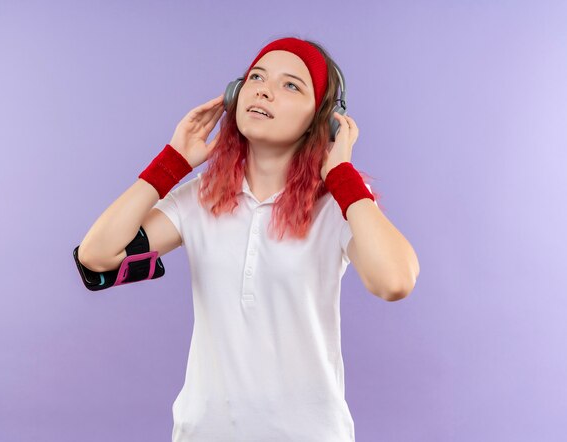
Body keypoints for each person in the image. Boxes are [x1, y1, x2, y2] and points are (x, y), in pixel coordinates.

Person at [78, 35, 419, 442]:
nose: (263, 89)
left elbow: (395, 280)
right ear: (236, 95)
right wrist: (171, 163)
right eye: (256, 77)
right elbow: (96, 256)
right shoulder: (201, 197)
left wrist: (342, 177)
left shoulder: (339, 205)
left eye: (291, 84)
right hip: (203, 433)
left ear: (323, 119)